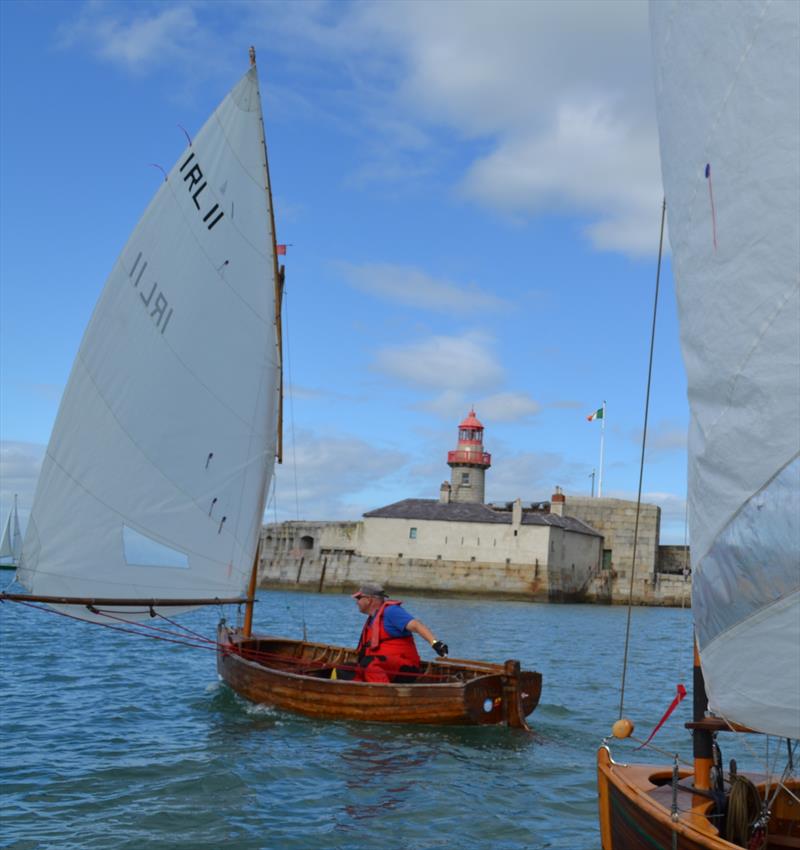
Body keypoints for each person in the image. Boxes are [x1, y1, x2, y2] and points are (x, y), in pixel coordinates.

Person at [351, 583, 448, 683]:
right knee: (346, 669)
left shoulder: (392, 611)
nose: (357, 602)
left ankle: (384, 694)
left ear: (368, 599)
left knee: (370, 662)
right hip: (383, 668)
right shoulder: (372, 618)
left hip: (405, 669)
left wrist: (435, 643)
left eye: (358, 598)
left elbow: (416, 625)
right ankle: (358, 692)